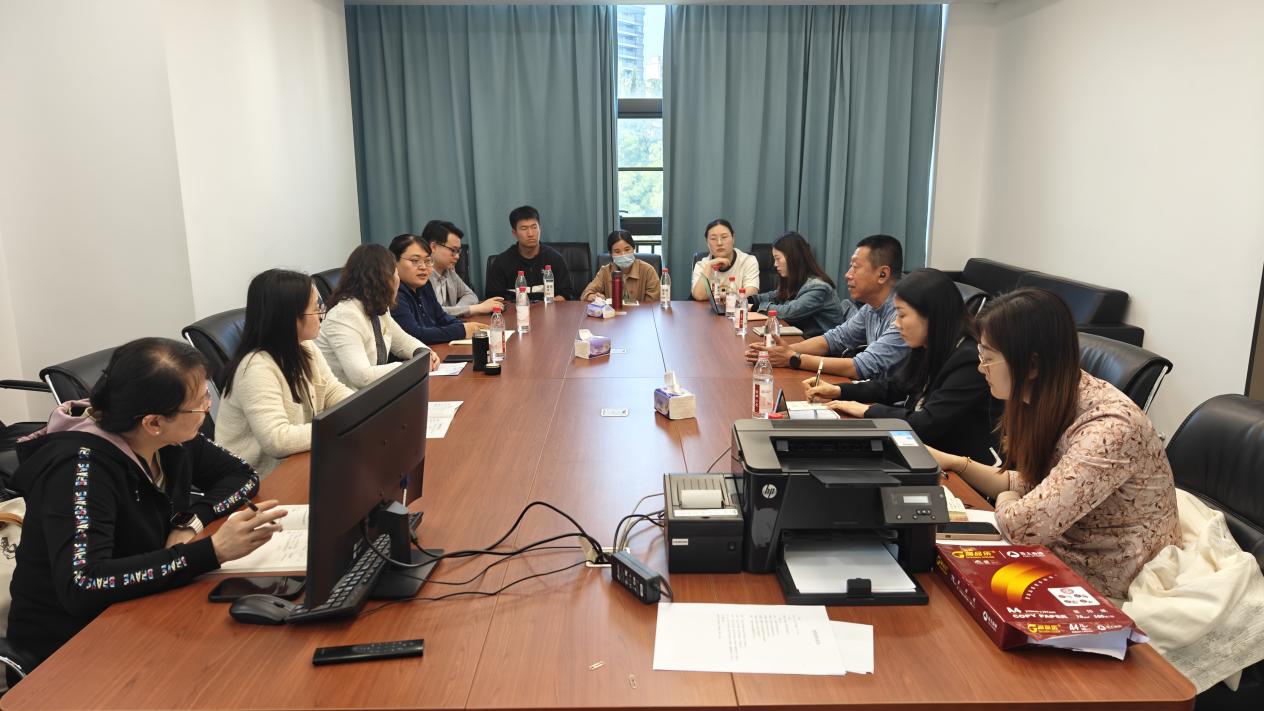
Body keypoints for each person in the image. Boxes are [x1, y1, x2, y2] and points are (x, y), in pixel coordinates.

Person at [6, 338, 286, 673]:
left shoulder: (170, 439)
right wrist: (212, 551)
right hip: (71, 649)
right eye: (200, 403)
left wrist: (189, 522)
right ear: (153, 422)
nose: (208, 409)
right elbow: (84, 583)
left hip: (144, 608)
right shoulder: (80, 469)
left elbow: (242, 475)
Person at [926, 288, 1180, 599]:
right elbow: (1032, 484)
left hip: (1108, 580)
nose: (981, 368)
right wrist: (955, 463)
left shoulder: (1110, 428)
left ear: (1032, 365)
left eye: (988, 358)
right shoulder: (1048, 396)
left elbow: (1024, 527)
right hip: (1060, 547)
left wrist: (1007, 497)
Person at [803, 268, 999, 462]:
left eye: (902, 315)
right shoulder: (930, 345)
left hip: (962, 466)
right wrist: (839, 390)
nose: (896, 324)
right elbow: (895, 385)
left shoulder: (970, 361)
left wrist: (866, 410)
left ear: (932, 316)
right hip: (927, 452)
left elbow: (926, 423)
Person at [216, 268, 355, 477]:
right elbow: (277, 440)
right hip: (258, 479)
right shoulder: (255, 369)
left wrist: (361, 410)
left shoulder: (305, 346)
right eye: (315, 308)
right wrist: (338, 424)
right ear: (290, 318)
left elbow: (331, 391)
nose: (321, 314)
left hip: (297, 462)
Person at [745, 234, 908, 381]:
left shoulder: (903, 316)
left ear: (882, 274)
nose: (848, 274)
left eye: (855, 267)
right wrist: (782, 351)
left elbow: (861, 366)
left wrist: (793, 358)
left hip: (892, 402)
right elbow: (833, 339)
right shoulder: (870, 308)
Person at [316, 244, 439, 389]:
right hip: (348, 398)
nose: (398, 279)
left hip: (373, 393)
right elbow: (362, 377)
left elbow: (403, 341)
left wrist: (424, 353)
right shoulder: (344, 316)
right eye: (396, 273)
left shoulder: (378, 307)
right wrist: (411, 367)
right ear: (384, 280)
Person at [749, 231, 854, 338]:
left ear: (793, 257)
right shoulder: (797, 281)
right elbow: (775, 295)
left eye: (778, 258)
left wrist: (756, 307)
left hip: (823, 344)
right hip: (804, 338)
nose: (775, 264)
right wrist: (750, 300)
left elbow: (790, 312)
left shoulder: (818, 287)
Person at [390, 234, 488, 344]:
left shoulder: (425, 286)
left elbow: (441, 317)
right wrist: (461, 330)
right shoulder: (394, 294)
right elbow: (415, 334)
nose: (423, 267)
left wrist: (463, 325)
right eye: (415, 260)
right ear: (394, 262)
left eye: (427, 261)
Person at [484, 205, 576, 301]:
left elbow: (566, 294)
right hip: (515, 310)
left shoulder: (555, 259)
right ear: (514, 233)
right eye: (524, 229)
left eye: (534, 227)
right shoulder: (502, 262)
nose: (530, 234)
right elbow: (494, 299)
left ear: (540, 229)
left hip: (548, 309)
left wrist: (549, 305)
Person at [423, 220, 504, 317]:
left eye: (458, 251)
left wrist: (458, 311)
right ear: (433, 247)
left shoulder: (449, 271)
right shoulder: (421, 276)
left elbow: (470, 295)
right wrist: (474, 309)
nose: (457, 256)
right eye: (453, 250)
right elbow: (432, 313)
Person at [580, 230, 661, 303]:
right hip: (613, 313)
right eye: (617, 251)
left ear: (633, 249)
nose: (623, 255)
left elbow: (654, 302)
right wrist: (594, 297)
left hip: (640, 314)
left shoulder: (647, 270)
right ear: (611, 254)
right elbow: (585, 295)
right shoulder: (605, 271)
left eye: (627, 249)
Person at [689, 218, 760, 301]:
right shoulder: (702, 265)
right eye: (713, 239)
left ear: (733, 238)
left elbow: (751, 294)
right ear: (707, 242)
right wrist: (709, 266)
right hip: (709, 309)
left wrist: (718, 295)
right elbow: (699, 296)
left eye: (724, 237)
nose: (719, 243)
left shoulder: (748, 261)